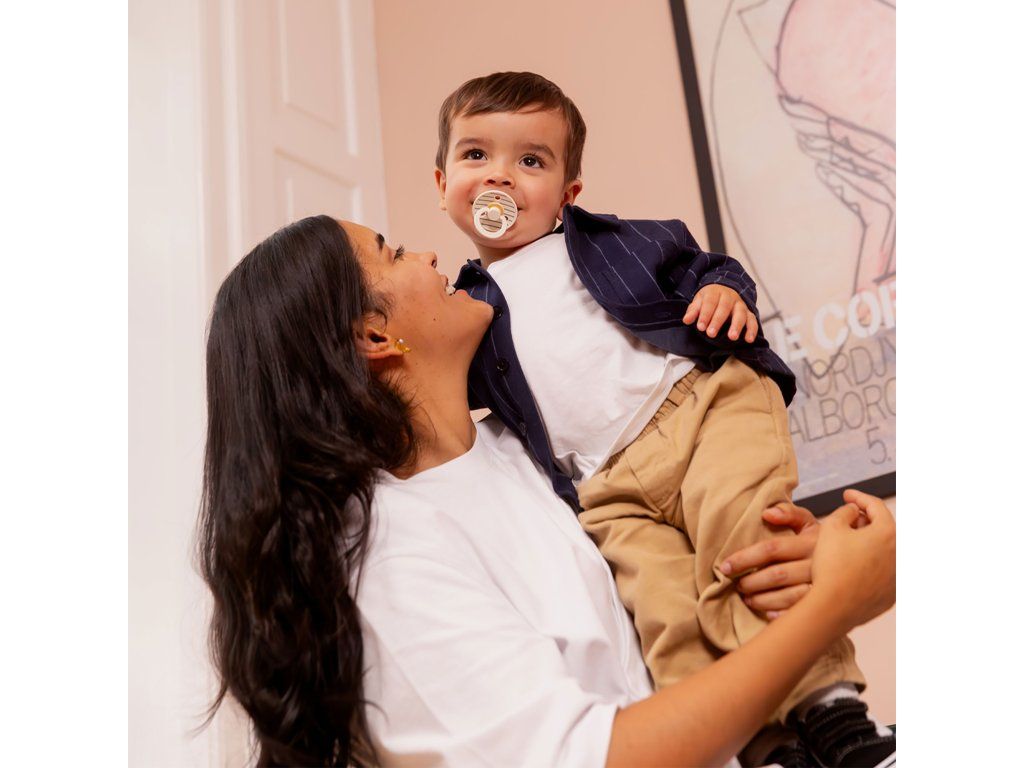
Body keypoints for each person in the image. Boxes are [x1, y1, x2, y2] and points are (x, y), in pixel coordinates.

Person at [197, 214, 896, 767]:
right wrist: (836, 602)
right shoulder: (386, 564)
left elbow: (674, 572)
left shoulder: (529, 453)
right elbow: (592, 758)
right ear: (374, 335)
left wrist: (783, 559)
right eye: (395, 252)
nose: (431, 257)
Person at [438, 71, 893, 766]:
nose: (499, 175)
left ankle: (838, 720)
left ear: (567, 193)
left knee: (748, 548)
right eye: (476, 155)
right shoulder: (462, 311)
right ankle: (763, 748)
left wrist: (724, 293)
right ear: (442, 181)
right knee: (665, 610)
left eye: (530, 160)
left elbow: (710, 268)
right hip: (607, 488)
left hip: (699, 411)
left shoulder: (611, 242)